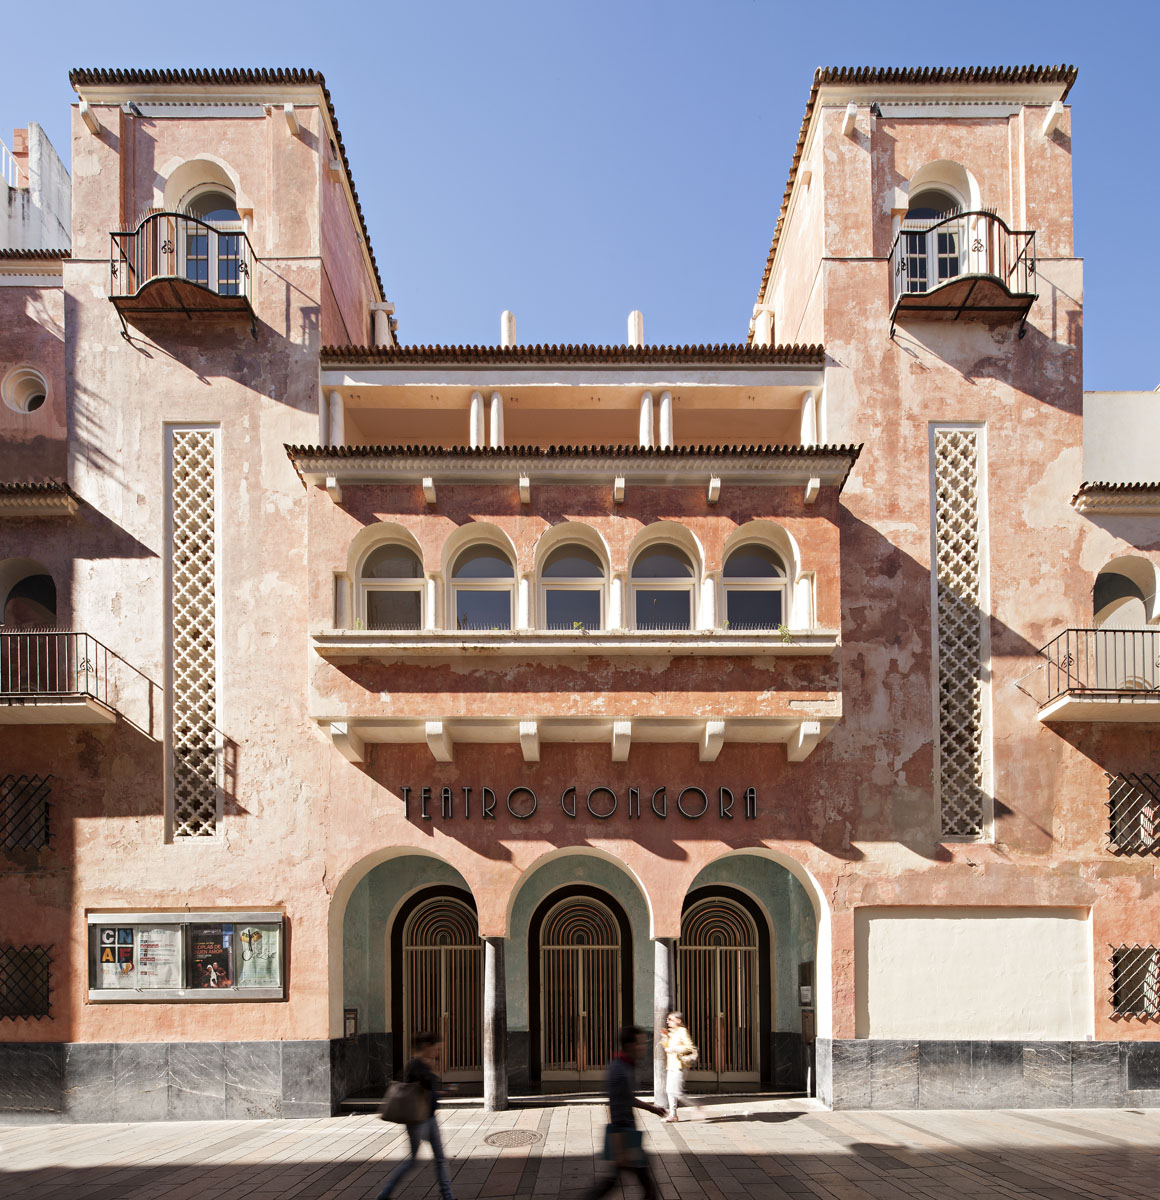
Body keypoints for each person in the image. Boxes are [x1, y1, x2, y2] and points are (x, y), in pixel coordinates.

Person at [586, 1025, 665, 1200]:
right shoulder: (619, 1070)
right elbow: (615, 1106)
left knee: (616, 1181)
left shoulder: (624, 1065)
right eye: (640, 1043)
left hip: (625, 1133)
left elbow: (627, 1098)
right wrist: (619, 1145)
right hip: (624, 1135)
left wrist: (653, 1109)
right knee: (646, 1187)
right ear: (629, 1046)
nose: (643, 1047)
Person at [374, 1031, 455, 1200]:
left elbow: (428, 1090)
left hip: (430, 1118)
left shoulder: (421, 1064)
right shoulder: (415, 1065)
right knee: (413, 1161)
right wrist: (434, 1069)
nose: (437, 1052)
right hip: (417, 1121)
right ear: (426, 1047)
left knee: (439, 1158)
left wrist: (442, 1090)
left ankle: (447, 1196)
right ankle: (385, 1194)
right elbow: (426, 1083)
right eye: (436, 1048)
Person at [659, 1011, 702, 1122]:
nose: (668, 1021)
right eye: (667, 1019)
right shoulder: (671, 1032)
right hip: (671, 1065)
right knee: (669, 1090)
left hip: (679, 1065)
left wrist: (675, 1049)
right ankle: (673, 1115)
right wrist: (664, 1038)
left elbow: (689, 1047)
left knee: (677, 1092)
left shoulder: (682, 1031)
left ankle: (697, 1105)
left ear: (678, 1020)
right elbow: (667, 1047)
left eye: (670, 1019)